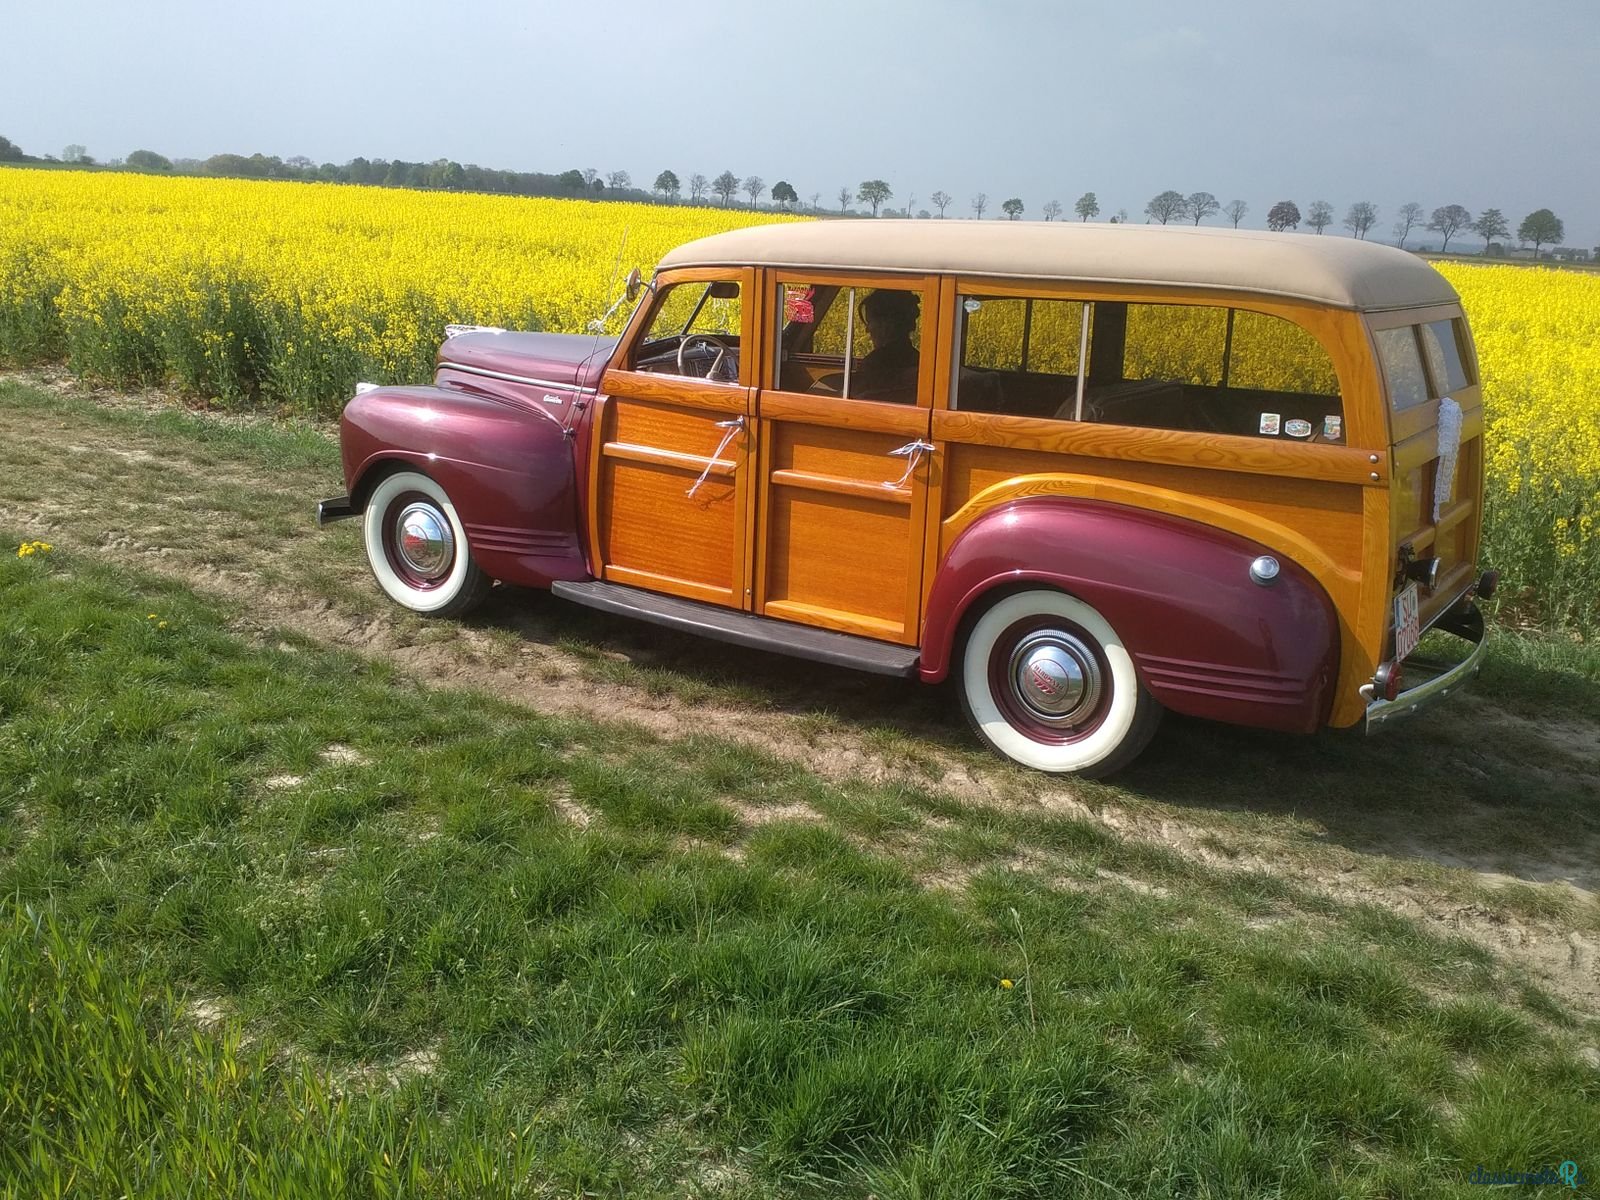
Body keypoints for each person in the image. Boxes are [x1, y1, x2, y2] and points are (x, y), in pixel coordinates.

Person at [851, 289, 920, 401]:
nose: (867, 330)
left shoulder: (873, 366)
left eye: (870, 322)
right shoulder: (918, 360)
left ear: (886, 325)